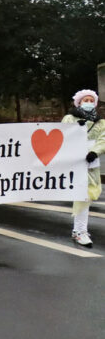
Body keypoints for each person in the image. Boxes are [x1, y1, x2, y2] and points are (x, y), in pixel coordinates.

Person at [62, 90, 104, 247]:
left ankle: (79, 230)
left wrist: (95, 152)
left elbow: (104, 138)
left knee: (87, 196)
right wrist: (74, 129)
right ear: (78, 102)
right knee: (82, 196)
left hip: (91, 164)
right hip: (74, 162)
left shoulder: (100, 122)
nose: (88, 102)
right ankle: (80, 231)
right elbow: (61, 134)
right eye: (85, 100)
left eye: (91, 100)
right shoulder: (70, 118)